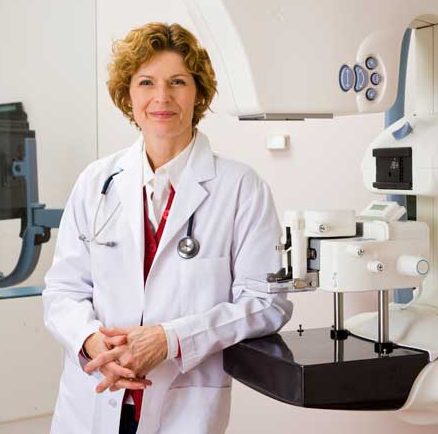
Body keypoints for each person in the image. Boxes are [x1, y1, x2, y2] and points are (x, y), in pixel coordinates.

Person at [42, 22, 293, 434]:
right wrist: (90, 340)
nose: (161, 97)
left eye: (178, 81)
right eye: (146, 82)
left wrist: (171, 339)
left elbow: (268, 303)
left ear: (199, 93)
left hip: (184, 406)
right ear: (128, 95)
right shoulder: (96, 181)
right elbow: (63, 291)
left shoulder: (240, 188)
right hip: (94, 396)